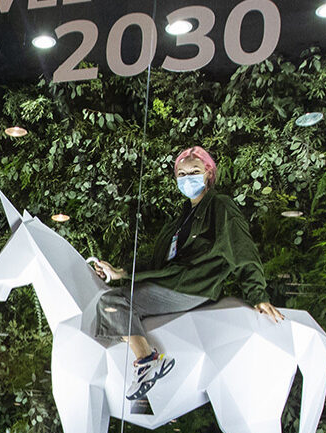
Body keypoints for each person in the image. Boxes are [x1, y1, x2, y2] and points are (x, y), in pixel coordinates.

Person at [87, 146, 281, 402]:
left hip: (193, 285)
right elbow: (158, 264)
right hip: (174, 281)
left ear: (209, 174)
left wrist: (258, 294)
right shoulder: (180, 218)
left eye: (194, 172)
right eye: (182, 173)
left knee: (113, 302)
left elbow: (243, 250)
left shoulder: (220, 207)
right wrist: (120, 272)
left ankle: (147, 361)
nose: (187, 178)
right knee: (117, 296)